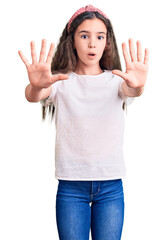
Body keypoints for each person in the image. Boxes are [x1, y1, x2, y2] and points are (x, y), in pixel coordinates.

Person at [18, 4, 149, 240]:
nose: (92, 44)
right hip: (71, 188)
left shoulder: (116, 81)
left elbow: (131, 90)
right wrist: (37, 85)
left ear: (106, 42)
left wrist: (138, 86)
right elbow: (33, 95)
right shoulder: (60, 82)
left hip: (110, 187)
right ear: (72, 41)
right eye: (84, 36)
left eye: (100, 37)